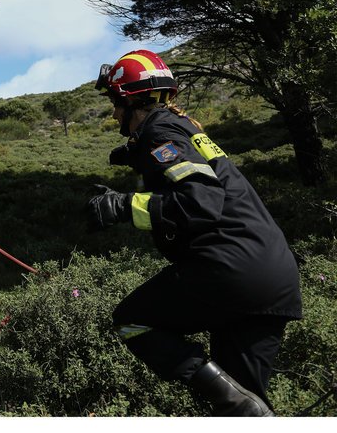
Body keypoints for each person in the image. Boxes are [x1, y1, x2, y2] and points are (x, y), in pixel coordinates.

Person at [85, 49, 302, 417]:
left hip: (232, 269)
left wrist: (122, 206)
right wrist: (136, 154)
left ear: (132, 100)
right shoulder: (183, 128)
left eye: (115, 103)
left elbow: (200, 201)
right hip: (273, 274)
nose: (113, 112)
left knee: (132, 319)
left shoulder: (160, 131)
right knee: (243, 409)